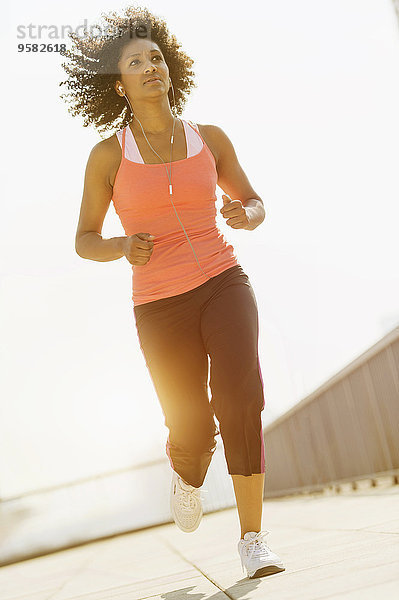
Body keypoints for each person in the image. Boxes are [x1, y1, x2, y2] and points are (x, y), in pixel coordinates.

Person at [62, 6, 285, 580]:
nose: (150, 66)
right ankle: (187, 472)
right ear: (121, 85)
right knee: (190, 423)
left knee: (241, 395)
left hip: (222, 278)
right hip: (159, 303)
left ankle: (253, 538)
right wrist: (120, 247)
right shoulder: (109, 156)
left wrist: (245, 213)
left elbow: (256, 203)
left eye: (156, 57)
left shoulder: (209, 139)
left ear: (170, 68)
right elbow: (84, 240)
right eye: (136, 62)